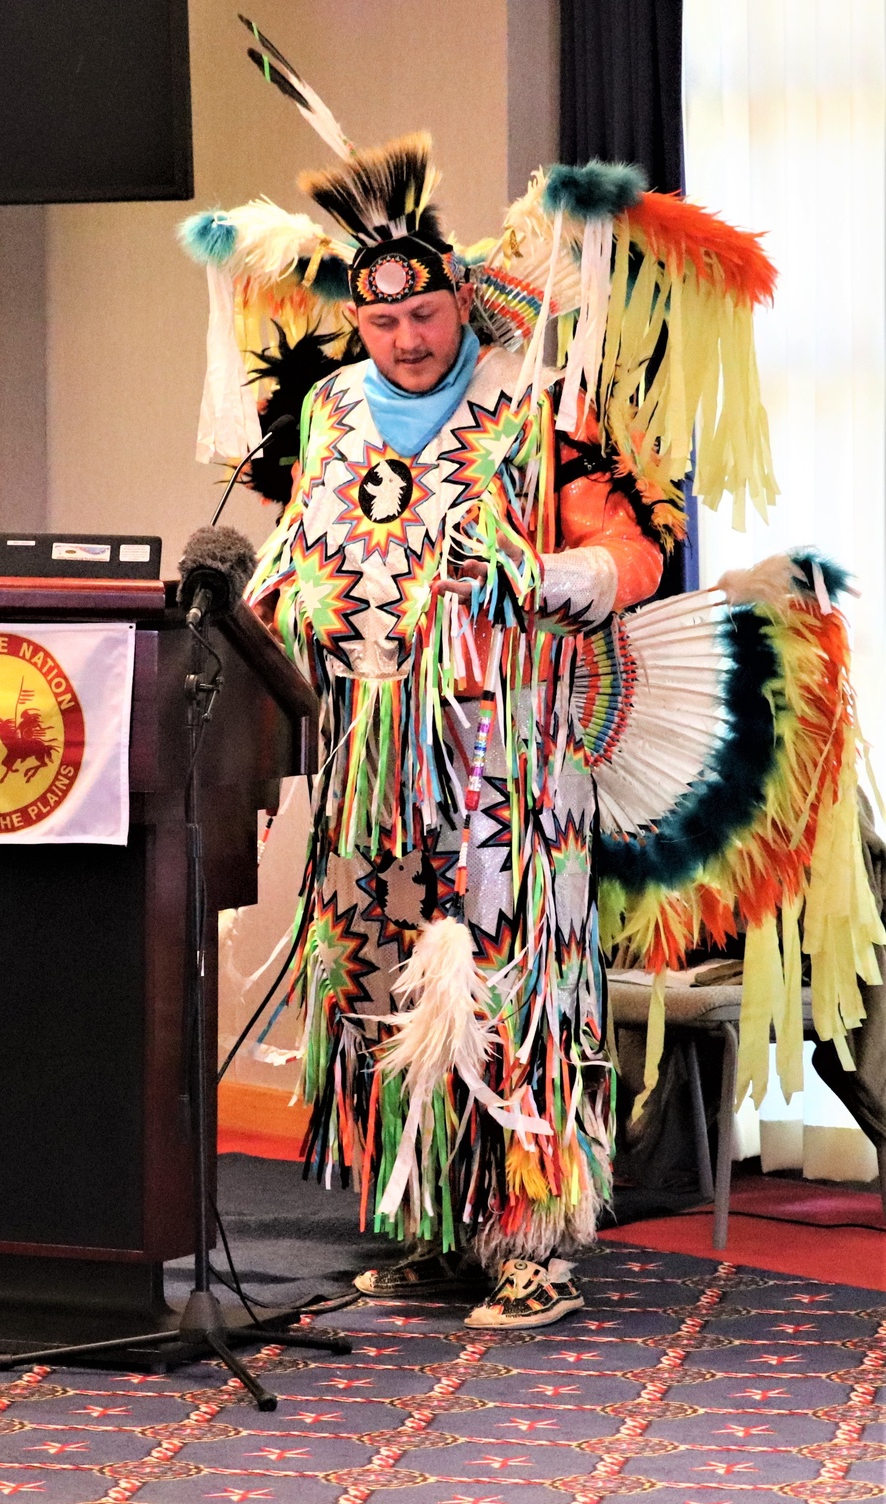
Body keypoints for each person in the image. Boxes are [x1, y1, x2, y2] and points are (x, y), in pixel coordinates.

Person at [182, 38, 880, 1328]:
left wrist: (587, 578)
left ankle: (535, 1246)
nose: (401, 337)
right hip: (371, 758)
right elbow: (300, 552)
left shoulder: (530, 403)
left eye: (422, 315)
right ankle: (435, 1225)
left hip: (511, 756)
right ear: (358, 319)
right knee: (387, 976)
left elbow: (632, 535)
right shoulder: (332, 410)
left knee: (510, 978)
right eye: (380, 319)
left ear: (458, 306)